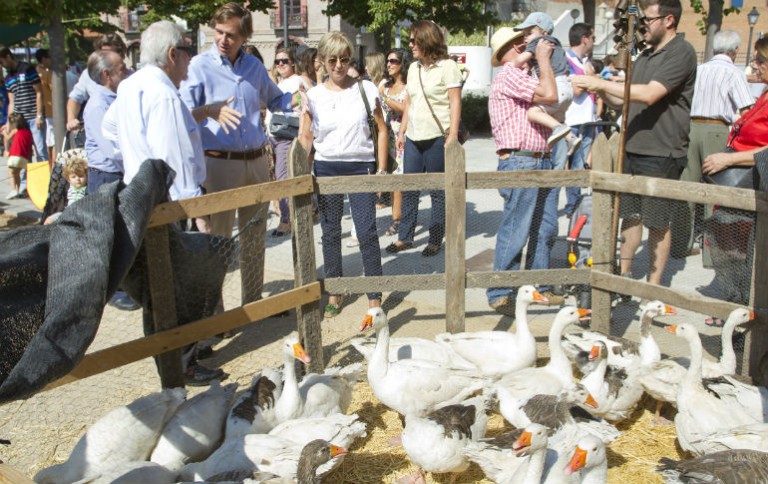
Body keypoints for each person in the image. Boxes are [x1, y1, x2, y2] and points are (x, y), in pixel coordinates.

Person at [105, 20, 223, 386]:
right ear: (173, 54)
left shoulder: (130, 85)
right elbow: (176, 159)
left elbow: (109, 129)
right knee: (177, 286)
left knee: (159, 286)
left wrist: (133, 158)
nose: (189, 61)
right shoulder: (164, 95)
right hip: (170, 203)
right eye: (187, 51)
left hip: (141, 196)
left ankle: (176, 355)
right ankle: (182, 362)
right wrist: (197, 212)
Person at [179, 3, 300, 311]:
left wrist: (303, 96)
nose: (223, 39)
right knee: (218, 241)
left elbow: (277, 99)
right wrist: (209, 111)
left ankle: (253, 302)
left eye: (231, 35)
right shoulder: (198, 66)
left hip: (257, 162)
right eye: (219, 32)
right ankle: (215, 312)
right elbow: (180, 117)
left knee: (255, 237)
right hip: (219, 164)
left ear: (245, 37)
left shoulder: (255, 67)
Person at [572, 0, 697, 288]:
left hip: (662, 151)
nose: (641, 27)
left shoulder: (682, 52)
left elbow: (650, 94)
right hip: (632, 147)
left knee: (658, 222)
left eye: (647, 20)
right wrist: (596, 87)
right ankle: (625, 277)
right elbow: (623, 100)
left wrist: (602, 84)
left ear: (668, 20)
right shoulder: (644, 55)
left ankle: (652, 287)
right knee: (629, 216)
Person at [298, 31, 388, 318]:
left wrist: (381, 170)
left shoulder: (366, 89)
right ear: (322, 60)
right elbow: (306, 138)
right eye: (332, 59)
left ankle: (374, 297)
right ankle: (335, 291)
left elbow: (382, 129)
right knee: (330, 232)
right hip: (326, 168)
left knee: (366, 231)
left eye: (345, 59)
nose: (339, 65)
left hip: (360, 166)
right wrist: (299, 171)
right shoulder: (313, 96)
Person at [484, 27, 562, 316]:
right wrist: (542, 57)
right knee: (517, 229)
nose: (524, 44)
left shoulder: (523, 76)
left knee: (545, 228)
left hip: (538, 158)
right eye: (518, 42)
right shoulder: (509, 74)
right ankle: (501, 292)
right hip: (521, 159)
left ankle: (538, 286)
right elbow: (551, 94)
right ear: (510, 49)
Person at [700, 37, 768, 326]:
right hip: (740, 187)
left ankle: (743, 318)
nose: (754, 65)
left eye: (760, 61)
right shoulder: (764, 94)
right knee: (731, 248)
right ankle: (735, 308)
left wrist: (729, 160)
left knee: (747, 253)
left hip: (752, 185)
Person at [670, 30, 754, 259]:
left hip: (689, 128)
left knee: (686, 188)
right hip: (716, 130)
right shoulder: (733, 73)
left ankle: (680, 245)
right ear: (736, 51)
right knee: (714, 189)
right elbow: (747, 110)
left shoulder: (699, 69)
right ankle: (711, 251)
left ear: (715, 48)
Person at [386, 20, 462, 258]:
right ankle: (405, 238)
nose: (410, 45)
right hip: (413, 137)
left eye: (413, 40)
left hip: (437, 137)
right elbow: (410, 102)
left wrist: (452, 136)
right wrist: (402, 132)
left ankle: (435, 240)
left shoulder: (448, 67)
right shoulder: (413, 68)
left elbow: (455, 102)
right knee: (410, 188)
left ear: (426, 40)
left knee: (437, 191)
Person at [552, 22, 597, 217]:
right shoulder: (567, 60)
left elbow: (592, 85)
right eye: (593, 38)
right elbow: (575, 90)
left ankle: (574, 207)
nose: (594, 42)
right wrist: (592, 80)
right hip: (570, 122)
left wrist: (589, 79)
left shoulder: (586, 62)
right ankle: (550, 208)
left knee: (578, 168)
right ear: (584, 39)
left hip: (587, 120)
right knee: (560, 165)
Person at [512, 13, 575, 149]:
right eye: (524, 34)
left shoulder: (539, 42)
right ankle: (572, 139)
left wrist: (513, 64)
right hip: (567, 88)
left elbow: (519, 61)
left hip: (555, 87)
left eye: (529, 33)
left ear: (544, 33)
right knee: (556, 120)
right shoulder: (556, 45)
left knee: (533, 113)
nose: (525, 38)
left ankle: (559, 129)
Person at [267, 47, 309, 237]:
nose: (281, 64)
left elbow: (301, 100)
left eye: (284, 60)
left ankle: (286, 220)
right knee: (283, 175)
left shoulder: (298, 80)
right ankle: (313, 207)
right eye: (278, 61)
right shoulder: (279, 82)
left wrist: (289, 100)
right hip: (273, 135)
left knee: (282, 176)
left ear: (293, 62)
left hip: (287, 135)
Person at [66, 33, 128, 131]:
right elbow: (75, 98)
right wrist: (71, 119)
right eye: (104, 53)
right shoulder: (88, 75)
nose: (109, 56)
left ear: (122, 53)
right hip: (99, 126)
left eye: (113, 52)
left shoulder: (133, 77)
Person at [380, 48, 411, 236]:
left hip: (402, 136)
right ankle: (397, 216)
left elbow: (404, 109)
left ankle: (397, 220)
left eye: (394, 61)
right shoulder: (386, 86)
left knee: (398, 179)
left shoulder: (409, 86)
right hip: (387, 137)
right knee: (392, 180)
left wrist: (384, 98)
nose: (389, 64)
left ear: (403, 64)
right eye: (388, 60)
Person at [1, 45, 46, 165]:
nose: (2, 65)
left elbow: (39, 92)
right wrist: (8, 123)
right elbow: (11, 101)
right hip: (20, 120)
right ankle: (25, 177)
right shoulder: (8, 77)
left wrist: (39, 115)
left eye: (2, 61)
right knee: (23, 153)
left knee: (40, 150)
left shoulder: (27, 69)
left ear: (8, 56)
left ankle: (42, 175)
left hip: (33, 117)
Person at [43, 154, 88, 225]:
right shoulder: (69, 187)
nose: (77, 179)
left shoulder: (87, 189)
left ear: (86, 176)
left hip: (80, 215)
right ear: (69, 179)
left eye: (81, 176)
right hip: (67, 213)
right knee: (49, 220)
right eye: (73, 177)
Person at [3, 112, 32, 199]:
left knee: (10, 172)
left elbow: (8, 138)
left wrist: (4, 133)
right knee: (17, 174)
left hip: (15, 155)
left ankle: (13, 190)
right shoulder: (28, 132)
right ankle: (18, 190)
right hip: (24, 157)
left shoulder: (15, 130)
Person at [34, 49, 55, 163]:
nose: (52, 60)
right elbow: (55, 90)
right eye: (49, 58)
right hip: (50, 111)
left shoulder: (35, 72)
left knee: (48, 143)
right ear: (43, 59)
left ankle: (51, 167)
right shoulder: (47, 73)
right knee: (54, 142)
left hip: (43, 112)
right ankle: (55, 167)